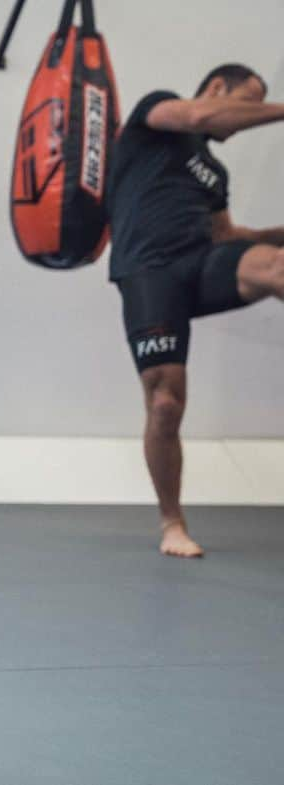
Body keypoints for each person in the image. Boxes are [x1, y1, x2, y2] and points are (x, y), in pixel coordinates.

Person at [106, 63, 284, 558]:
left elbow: (228, 237)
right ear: (215, 88)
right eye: (246, 102)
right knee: (164, 404)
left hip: (201, 263)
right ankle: (172, 525)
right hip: (148, 272)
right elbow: (199, 115)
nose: (246, 116)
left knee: (276, 266)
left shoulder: (214, 170)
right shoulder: (158, 112)